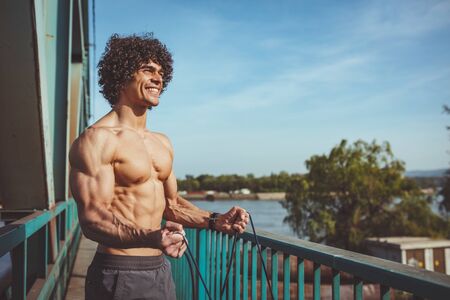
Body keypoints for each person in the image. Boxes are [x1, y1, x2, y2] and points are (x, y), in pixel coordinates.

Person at [69, 33, 250, 300]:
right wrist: (152, 236)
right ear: (122, 75)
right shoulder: (97, 139)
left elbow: (171, 204)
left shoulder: (162, 143)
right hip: (120, 272)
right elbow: (93, 220)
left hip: (161, 270)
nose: (158, 78)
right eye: (147, 70)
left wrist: (214, 220)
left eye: (161, 72)